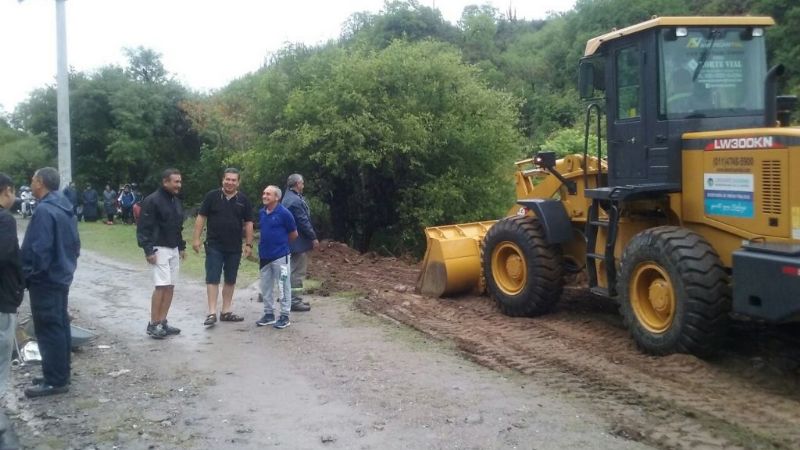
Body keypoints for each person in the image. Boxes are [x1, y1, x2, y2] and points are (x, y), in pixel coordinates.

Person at [20, 167, 80, 398]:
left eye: (33, 179)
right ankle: (59, 372)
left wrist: (30, 275)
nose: (31, 183)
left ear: (41, 182)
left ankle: (55, 381)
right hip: (61, 275)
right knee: (60, 325)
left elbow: (40, 249)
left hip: (46, 278)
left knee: (48, 328)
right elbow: (75, 244)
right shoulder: (65, 207)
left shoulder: (46, 210)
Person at [192, 168, 254, 326]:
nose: (230, 182)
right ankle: (212, 313)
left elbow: (248, 223)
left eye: (234, 180)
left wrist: (249, 244)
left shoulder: (243, 200)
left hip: (234, 246)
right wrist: (196, 239)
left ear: (238, 182)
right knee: (212, 277)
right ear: (222, 180)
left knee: (230, 279)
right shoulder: (212, 196)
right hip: (214, 245)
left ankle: (226, 311)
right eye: (228, 179)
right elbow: (201, 217)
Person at [136, 169, 186, 339]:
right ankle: (153, 323)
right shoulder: (152, 200)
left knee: (171, 285)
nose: (178, 185)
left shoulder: (175, 201)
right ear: (165, 182)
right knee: (161, 286)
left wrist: (181, 247)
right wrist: (148, 250)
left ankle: (163, 321)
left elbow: (177, 226)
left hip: (173, 248)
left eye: (180, 181)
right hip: (159, 248)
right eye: (175, 182)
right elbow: (144, 227)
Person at [0, 173, 23, 446]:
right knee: (2, 360)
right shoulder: (4, 219)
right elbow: (4, 254)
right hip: (2, 300)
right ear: (6, 191)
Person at [255, 186, 297, 330]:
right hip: (264, 256)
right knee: (266, 286)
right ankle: (269, 314)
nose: (265, 196)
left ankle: (284, 315)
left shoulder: (285, 213)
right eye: (264, 193)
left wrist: (281, 245)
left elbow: (293, 234)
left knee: (283, 285)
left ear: (276, 197)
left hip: (281, 256)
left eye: (268, 194)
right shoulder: (262, 213)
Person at [282, 174, 318, 312]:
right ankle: (294, 301)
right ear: (297, 184)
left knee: (291, 270)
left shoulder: (287, 198)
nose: (303, 185)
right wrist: (313, 237)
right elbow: (303, 221)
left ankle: (290, 298)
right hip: (298, 242)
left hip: (292, 241)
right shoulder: (295, 201)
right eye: (302, 183)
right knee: (297, 272)